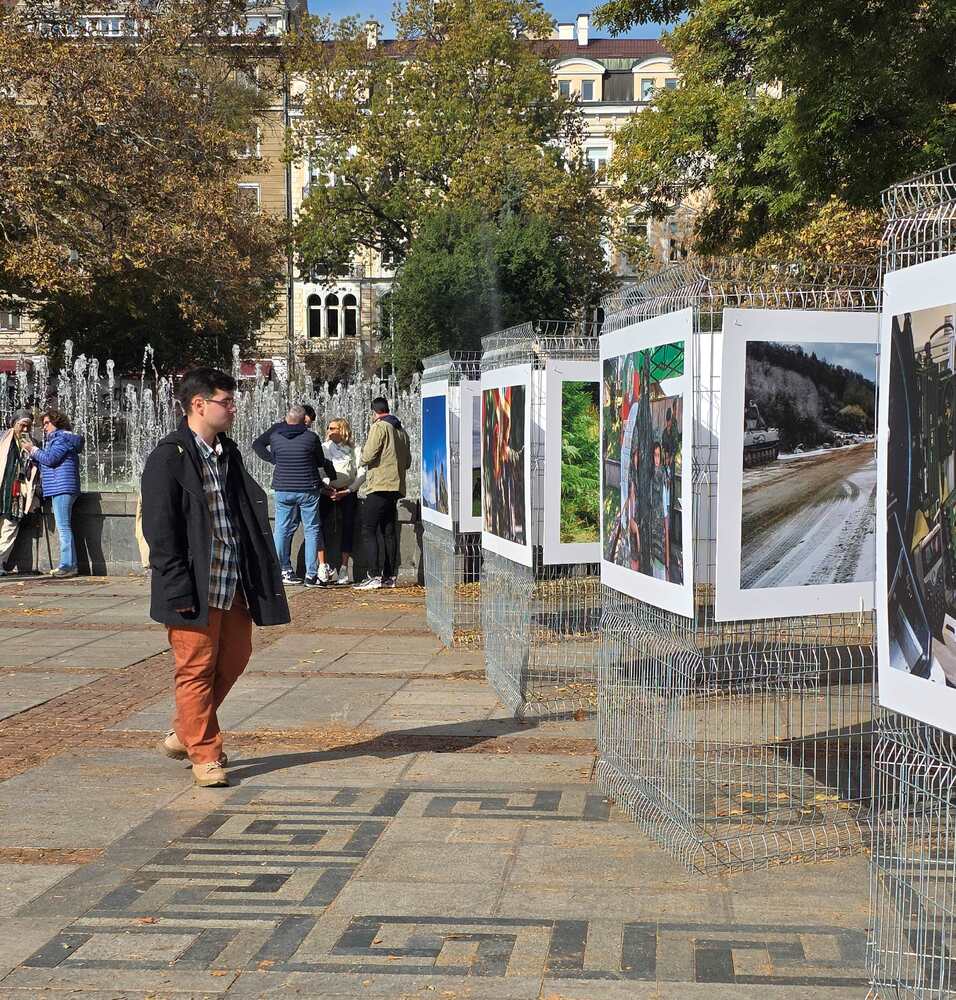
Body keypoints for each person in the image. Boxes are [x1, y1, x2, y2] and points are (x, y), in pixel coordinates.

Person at [141, 367, 290, 788]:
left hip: (234, 582)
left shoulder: (229, 452)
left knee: (235, 659)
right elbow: (161, 530)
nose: (233, 408)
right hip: (195, 587)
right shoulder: (168, 457)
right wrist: (176, 588)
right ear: (198, 404)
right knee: (196, 670)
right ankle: (205, 755)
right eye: (226, 401)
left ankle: (184, 732)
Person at [252, 404, 334, 588]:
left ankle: (280, 569)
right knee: (312, 530)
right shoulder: (311, 437)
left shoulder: (275, 436)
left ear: (286, 419)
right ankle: (311, 575)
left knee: (281, 529)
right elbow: (320, 461)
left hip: (283, 488)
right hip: (307, 488)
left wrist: (275, 459)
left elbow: (262, 447)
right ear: (303, 420)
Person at [354, 397, 411, 591]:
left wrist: (361, 459)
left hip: (379, 485)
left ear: (374, 412)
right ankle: (389, 576)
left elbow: (368, 455)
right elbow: (408, 462)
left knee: (368, 529)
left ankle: (373, 575)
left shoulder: (379, 427)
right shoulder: (401, 431)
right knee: (388, 532)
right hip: (395, 487)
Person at [22, 409, 84, 578]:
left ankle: (68, 565)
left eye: (47, 423)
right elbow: (49, 462)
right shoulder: (59, 439)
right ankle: (69, 564)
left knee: (63, 527)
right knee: (64, 526)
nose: (44, 427)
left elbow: (51, 459)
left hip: (62, 487)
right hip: (61, 486)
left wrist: (33, 450)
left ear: (57, 422)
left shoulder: (61, 439)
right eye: (43, 424)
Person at [317, 417, 365, 585]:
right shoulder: (323, 448)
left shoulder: (355, 449)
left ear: (343, 430)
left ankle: (344, 567)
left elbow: (361, 472)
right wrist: (325, 488)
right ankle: (322, 566)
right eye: (329, 428)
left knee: (348, 526)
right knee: (319, 527)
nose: (329, 431)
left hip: (347, 492)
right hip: (326, 492)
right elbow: (319, 469)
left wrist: (349, 490)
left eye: (334, 428)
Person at [0, 411, 40, 575]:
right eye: (21, 425)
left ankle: (0, 561)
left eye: (28, 426)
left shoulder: (33, 443)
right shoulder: (2, 438)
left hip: (16, 493)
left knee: (10, 527)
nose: (24, 429)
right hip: (2, 487)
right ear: (13, 424)